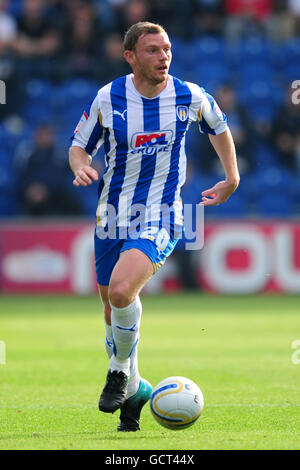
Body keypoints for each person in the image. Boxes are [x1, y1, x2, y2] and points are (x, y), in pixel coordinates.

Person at [69, 21, 239, 432]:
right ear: (130, 56)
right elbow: (78, 147)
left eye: (166, 49)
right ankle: (136, 390)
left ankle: (118, 371)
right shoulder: (109, 97)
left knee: (125, 290)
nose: (163, 57)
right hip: (111, 214)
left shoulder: (189, 94)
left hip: (163, 213)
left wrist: (231, 177)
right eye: (152, 50)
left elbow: (219, 126)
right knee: (113, 307)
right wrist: (81, 167)